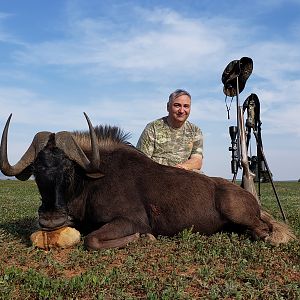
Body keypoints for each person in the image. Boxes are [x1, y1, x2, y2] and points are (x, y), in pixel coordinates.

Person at [136, 89, 203, 171]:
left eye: (186, 106)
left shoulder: (195, 131)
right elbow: (140, 162)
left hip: (183, 175)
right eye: (177, 105)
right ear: (168, 107)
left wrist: (182, 168)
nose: (182, 111)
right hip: (157, 176)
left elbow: (197, 161)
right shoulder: (153, 128)